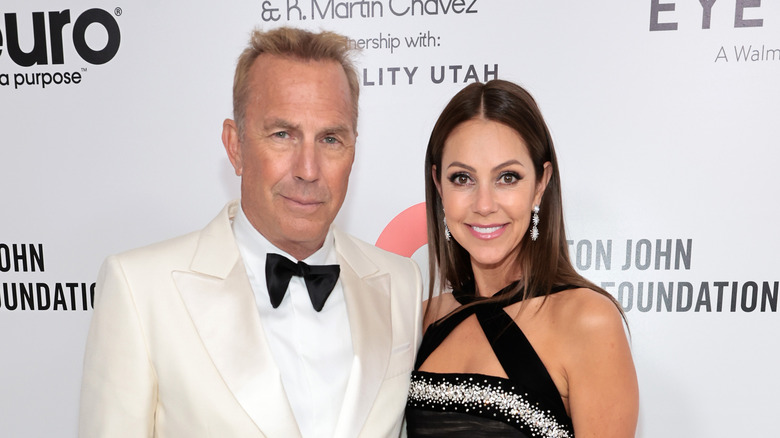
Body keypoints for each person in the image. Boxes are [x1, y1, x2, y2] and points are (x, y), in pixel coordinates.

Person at [79, 27, 423, 438]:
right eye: (283, 135)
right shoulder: (141, 289)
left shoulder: (400, 283)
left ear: (353, 150)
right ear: (235, 145)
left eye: (330, 139)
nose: (308, 170)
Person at [405, 80, 639, 437]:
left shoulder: (588, 321)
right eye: (462, 178)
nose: (484, 204)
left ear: (541, 184)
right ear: (439, 186)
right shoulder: (421, 319)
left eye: (507, 177)